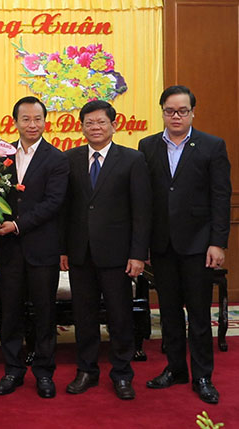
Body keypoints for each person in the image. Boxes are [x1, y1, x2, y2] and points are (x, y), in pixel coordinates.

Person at [139, 85, 231, 404]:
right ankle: (175, 369)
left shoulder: (211, 146)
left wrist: (218, 243)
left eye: (182, 111)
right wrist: (143, 244)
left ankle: (202, 375)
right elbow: (145, 199)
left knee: (199, 314)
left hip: (198, 245)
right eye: (169, 111)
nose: (176, 116)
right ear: (162, 111)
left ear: (193, 111)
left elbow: (220, 197)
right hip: (162, 245)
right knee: (169, 313)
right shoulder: (147, 146)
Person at [60, 100, 151, 400]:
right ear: (82, 126)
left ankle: (122, 373)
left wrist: (138, 254)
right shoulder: (70, 159)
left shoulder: (132, 160)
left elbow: (141, 211)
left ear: (114, 125)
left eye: (101, 122)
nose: (95, 128)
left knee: (120, 316)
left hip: (118, 255)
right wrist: (64, 249)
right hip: (80, 253)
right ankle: (86, 370)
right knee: (83, 316)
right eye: (89, 123)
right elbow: (65, 209)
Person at [0, 96, 68, 398]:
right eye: (26, 119)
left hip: (42, 248)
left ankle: (45, 373)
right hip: (9, 250)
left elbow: (54, 203)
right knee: (9, 312)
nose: (32, 125)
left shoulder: (57, 159)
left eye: (37, 119)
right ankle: (12, 370)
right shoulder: (1, 157)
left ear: (45, 122)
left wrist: (18, 225)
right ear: (15, 122)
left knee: (45, 313)